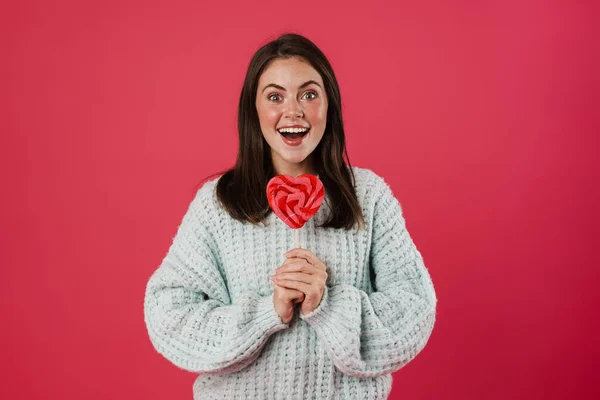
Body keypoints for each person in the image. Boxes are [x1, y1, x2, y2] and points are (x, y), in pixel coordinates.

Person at [144, 33, 437, 400]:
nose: (293, 111)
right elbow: (168, 315)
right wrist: (268, 311)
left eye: (309, 94)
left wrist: (327, 304)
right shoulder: (218, 204)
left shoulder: (368, 195)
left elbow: (414, 311)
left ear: (329, 106)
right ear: (254, 111)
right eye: (274, 96)